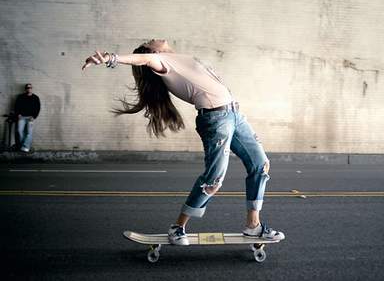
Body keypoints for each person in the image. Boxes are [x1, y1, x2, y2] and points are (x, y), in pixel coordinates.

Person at [82, 39, 285, 245]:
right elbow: (143, 59)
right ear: (153, 51)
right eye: (149, 42)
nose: (152, 38)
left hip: (235, 114)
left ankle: (253, 226)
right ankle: (177, 227)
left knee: (261, 164)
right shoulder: (161, 60)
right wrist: (110, 58)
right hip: (217, 119)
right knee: (214, 179)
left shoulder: (178, 59)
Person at [14, 83, 41, 153]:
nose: (29, 89)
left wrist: (34, 116)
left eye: (30, 88)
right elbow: (16, 106)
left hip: (30, 118)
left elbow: (38, 108)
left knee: (29, 133)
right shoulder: (20, 97)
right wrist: (18, 114)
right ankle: (24, 146)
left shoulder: (35, 97)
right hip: (22, 117)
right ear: (25, 89)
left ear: (32, 89)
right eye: (27, 88)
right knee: (19, 131)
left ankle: (25, 147)